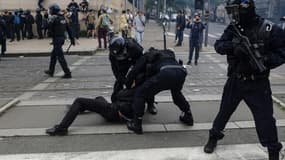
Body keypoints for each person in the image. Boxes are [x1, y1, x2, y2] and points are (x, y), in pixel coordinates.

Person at [203, 0, 285, 159]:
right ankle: (213, 137)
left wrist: (266, 60)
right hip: (236, 80)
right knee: (224, 113)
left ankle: (273, 151)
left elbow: (282, 51)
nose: (233, 14)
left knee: (266, 120)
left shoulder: (268, 29)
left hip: (258, 83)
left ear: (246, 8)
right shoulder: (234, 28)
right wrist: (234, 47)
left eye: (235, 10)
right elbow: (219, 45)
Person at [125, 48, 194, 134]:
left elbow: (134, 71)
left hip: (165, 73)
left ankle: (137, 124)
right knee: (177, 94)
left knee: (140, 93)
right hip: (181, 72)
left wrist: (127, 85)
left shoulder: (147, 55)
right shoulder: (167, 53)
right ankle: (188, 116)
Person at [46, 88, 136, 136]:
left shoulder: (136, 87)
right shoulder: (140, 87)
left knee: (79, 101)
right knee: (99, 98)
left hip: (114, 111)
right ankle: (77, 108)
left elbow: (126, 103)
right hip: (114, 109)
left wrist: (120, 110)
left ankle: (62, 128)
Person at [109, 36, 157, 114]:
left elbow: (142, 61)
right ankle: (115, 102)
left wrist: (132, 77)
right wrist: (121, 79)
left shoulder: (134, 47)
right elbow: (115, 70)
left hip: (136, 62)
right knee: (119, 82)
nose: (119, 56)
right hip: (122, 65)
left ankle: (150, 104)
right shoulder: (112, 54)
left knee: (144, 82)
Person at [44, 4, 75, 79]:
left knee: (60, 57)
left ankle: (67, 73)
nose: (50, 11)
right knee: (53, 55)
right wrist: (72, 39)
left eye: (50, 10)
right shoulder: (62, 18)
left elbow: (46, 26)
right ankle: (51, 71)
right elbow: (68, 29)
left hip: (57, 39)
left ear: (53, 10)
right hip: (61, 38)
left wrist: (46, 18)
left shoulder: (53, 18)